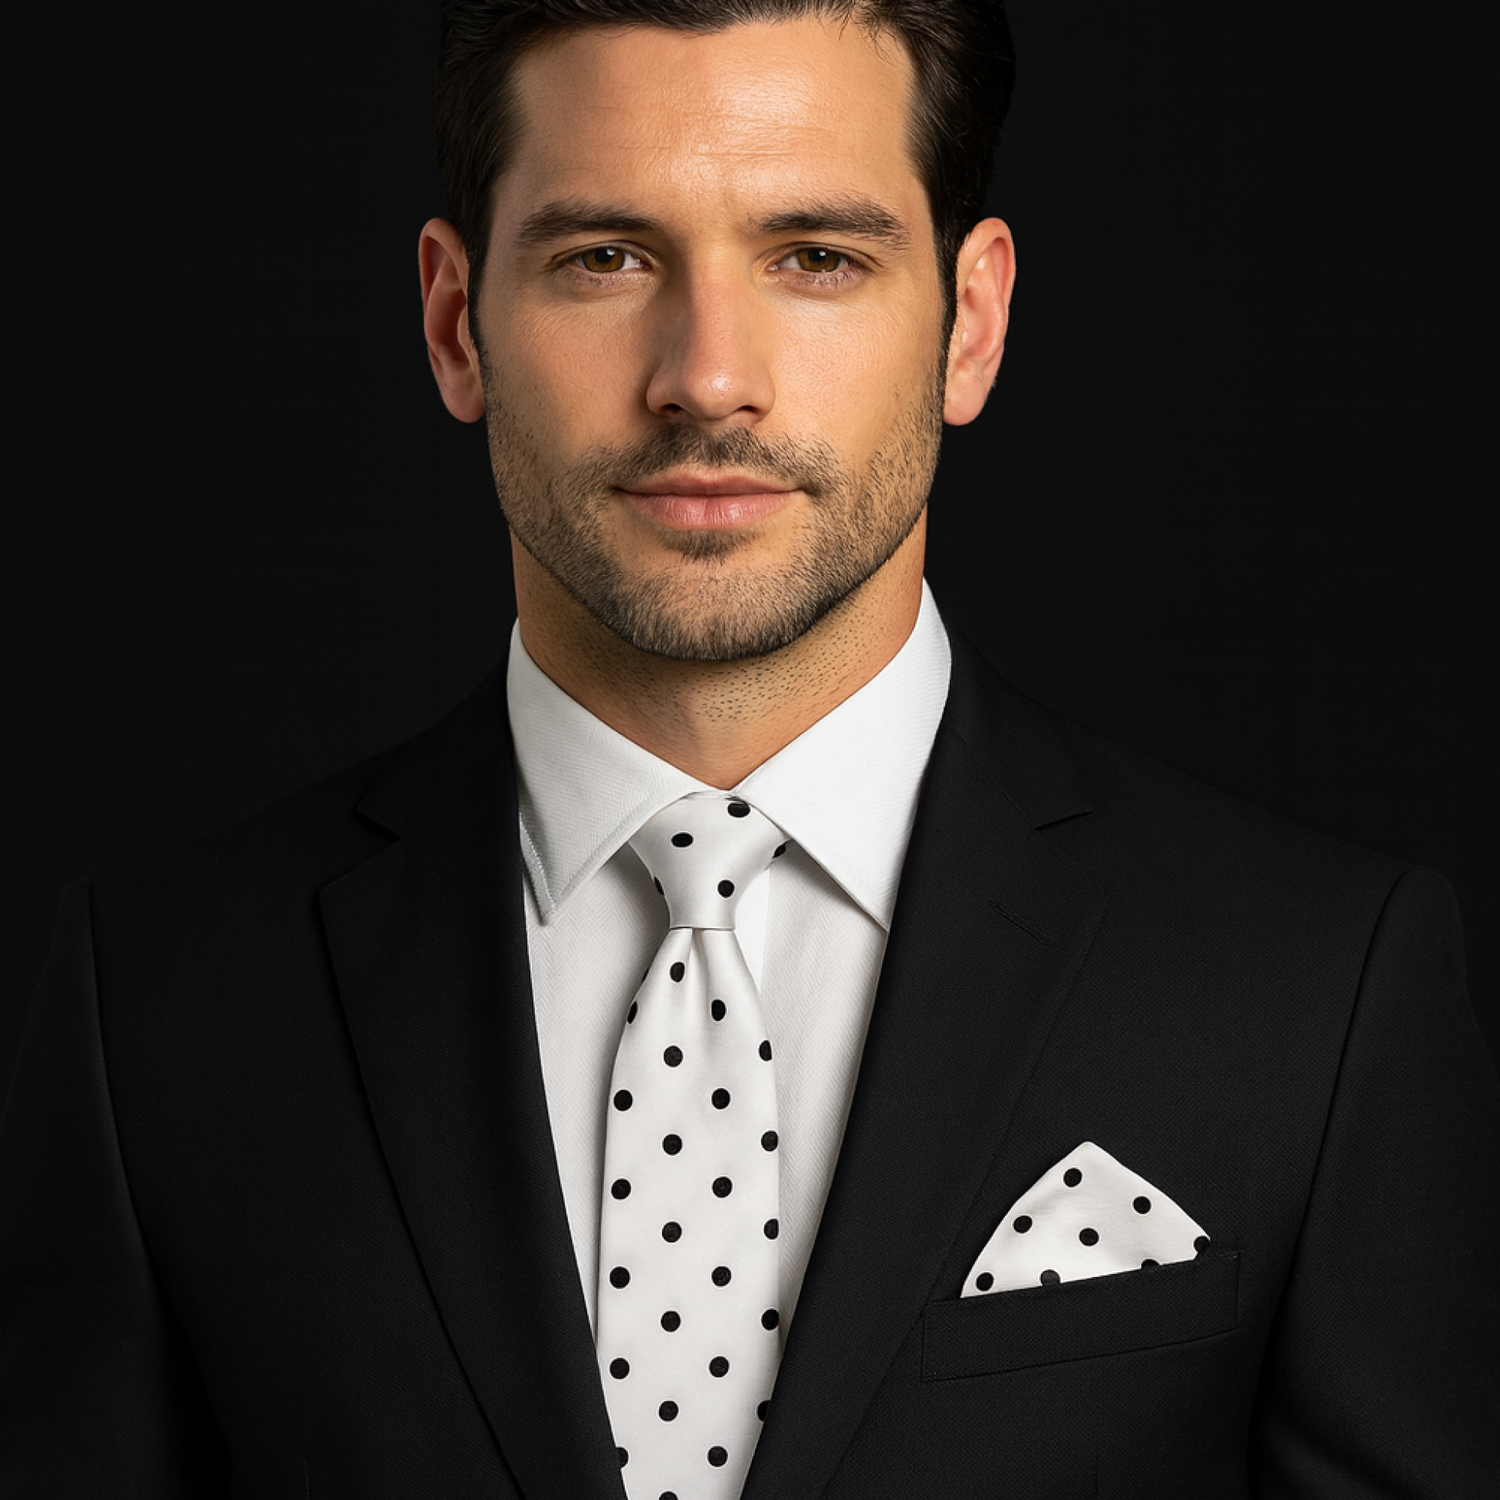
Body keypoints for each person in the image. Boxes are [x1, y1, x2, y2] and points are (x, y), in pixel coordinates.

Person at [2, 1, 1496, 1495]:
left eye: (817, 258)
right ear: (456, 323)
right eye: (606, 258)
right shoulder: (157, 1005)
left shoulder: (1316, 989)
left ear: (970, 323)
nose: (708, 379)